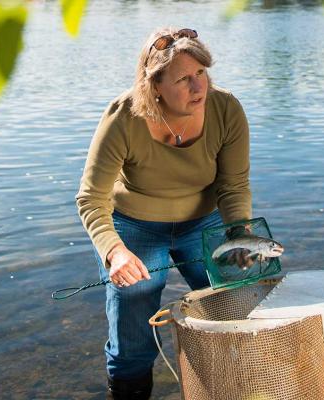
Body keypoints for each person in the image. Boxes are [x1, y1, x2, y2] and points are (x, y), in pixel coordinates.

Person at [75, 27, 252, 399]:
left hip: (203, 222)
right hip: (134, 227)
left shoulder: (226, 109)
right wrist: (115, 251)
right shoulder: (123, 117)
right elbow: (91, 198)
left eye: (201, 73)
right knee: (134, 345)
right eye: (183, 78)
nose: (198, 86)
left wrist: (239, 233)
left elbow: (233, 187)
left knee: (235, 311)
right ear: (154, 85)